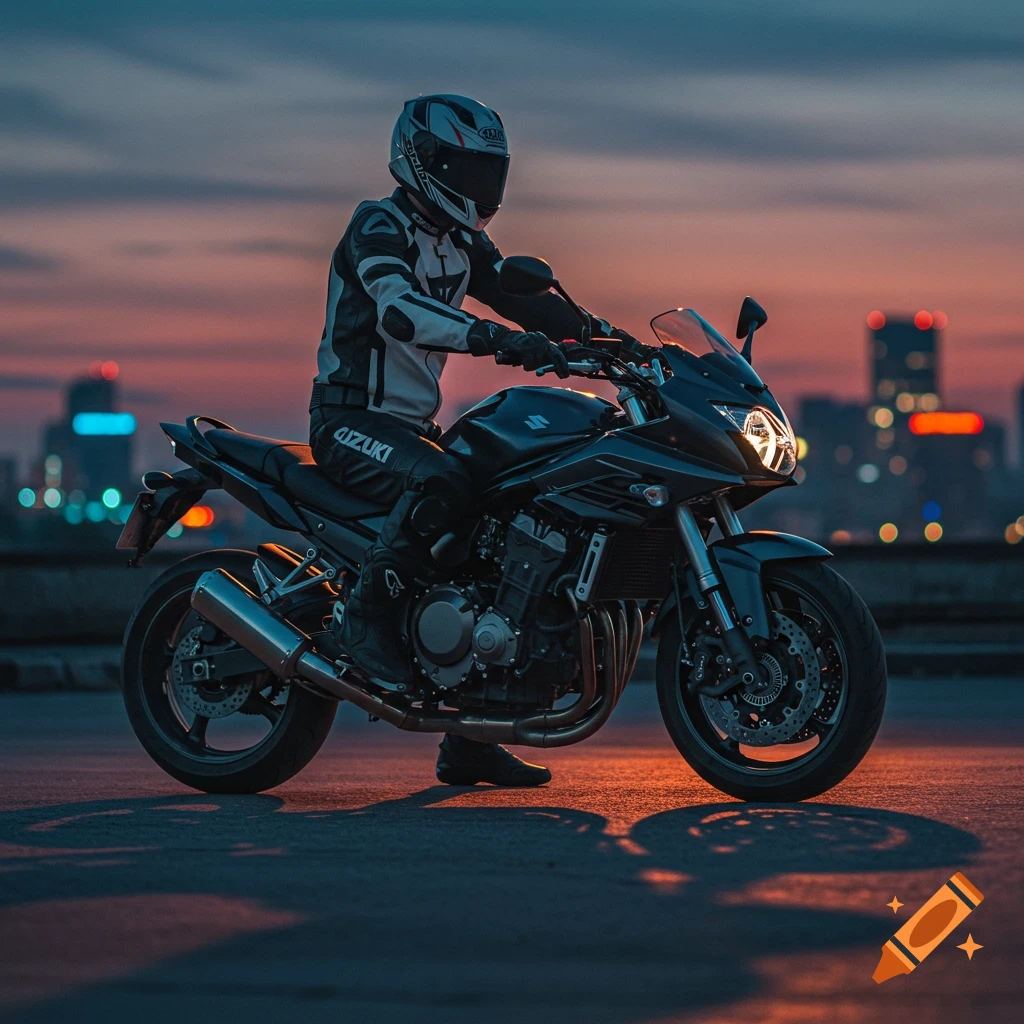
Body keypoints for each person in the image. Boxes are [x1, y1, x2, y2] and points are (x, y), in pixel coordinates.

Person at [309, 94, 652, 787]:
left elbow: (528, 302)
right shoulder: (378, 224)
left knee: (496, 526)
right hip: (350, 421)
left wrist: (611, 339)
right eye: (464, 169)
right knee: (439, 481)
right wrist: (494, 339)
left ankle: (471, 735)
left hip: (409, 426)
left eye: (486, 172)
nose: (478, 187)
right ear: (423, 160)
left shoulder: (464, 241)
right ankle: (362, 618)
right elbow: (401, 310)